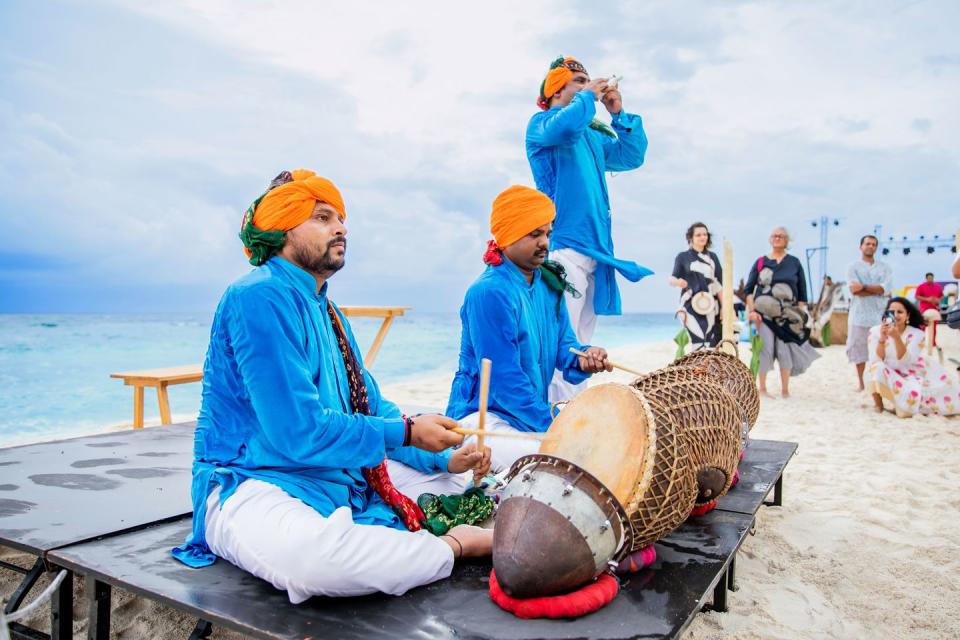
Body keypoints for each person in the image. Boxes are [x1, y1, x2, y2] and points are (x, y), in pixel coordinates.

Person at [172, 169, 493, 602]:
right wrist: (408, 431)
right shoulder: (257, 297)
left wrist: (445, 458)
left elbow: (373, 409)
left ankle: (417, 540)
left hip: (332, 477)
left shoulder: (328, 311)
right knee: (315, 563)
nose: (341, 227)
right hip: (253, 482)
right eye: (323, 217)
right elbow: (298, 432)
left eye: (341, 218)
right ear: (283, 230)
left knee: (465, 487)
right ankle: (456, 545)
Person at [446, 185, 613, 473]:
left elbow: (565, 346)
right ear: (508, 235)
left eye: (548, 233)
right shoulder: (489, 293)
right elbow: (503, 381)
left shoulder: (549, 285)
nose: (545, 243)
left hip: (524, 415)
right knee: (566, 459)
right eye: (534, 234)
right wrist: (557, 424)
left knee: (598, 442)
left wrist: (584, 357)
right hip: (483, 418)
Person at [526, 56, 652, 401]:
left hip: (596, 251)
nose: (588, 85)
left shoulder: (590, 137)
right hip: (563, 246)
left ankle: (568, 411)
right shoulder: (542, 125)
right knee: (560, 341)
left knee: (581, 341)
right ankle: (547, 414)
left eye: (587, 81)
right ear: (555, 90)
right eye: (578, 81)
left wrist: (617, 112)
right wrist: (589, 98)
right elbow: (565, 127)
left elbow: (631, 156)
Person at [745, 226, 820, 398]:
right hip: (763, 315)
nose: (778, 238)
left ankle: (785, 390)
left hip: (788, 315)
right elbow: (749, 290)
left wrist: (802, 316)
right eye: (775, 236)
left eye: (781, 236)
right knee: (764, 349)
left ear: (787, 240)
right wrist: (752, 311)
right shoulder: (761, 262)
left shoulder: (794, 262)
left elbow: (802, 292)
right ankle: (762, 388)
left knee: (785, 350)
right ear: (770, 240)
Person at [866, 297, 960, 417]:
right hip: (887, 370)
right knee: (875, 368)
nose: (895, 315)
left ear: (907, 315)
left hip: (911, 371)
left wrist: (896, 338)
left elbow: (905, 361)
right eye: (892, 312)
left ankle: (900, 406)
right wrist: (882, 339)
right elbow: (876, 359)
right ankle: (878, 405)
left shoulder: (917, 334)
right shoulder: (875, 331)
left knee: (911, 405)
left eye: (900, 312)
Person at [846, 235, 892, 390]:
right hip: (859, 315)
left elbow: (886, 290)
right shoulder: (853, 266)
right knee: (859, 351)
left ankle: (879, 383)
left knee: (881, 350)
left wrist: (864, 286)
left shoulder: (885, 268)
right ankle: (861, 383)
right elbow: (854, 290)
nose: (870, 246)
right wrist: (876, 289)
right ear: (861, 246)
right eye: (867, 244)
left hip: (879, 316)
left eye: (873, 244)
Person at [669, 222, 723, 348]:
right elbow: (672, 279)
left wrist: (725, 308)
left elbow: (719, 284)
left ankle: (707, 367)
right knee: (696, 341)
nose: (702, 237)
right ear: (691, 238)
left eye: (705, 234)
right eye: (698, 235)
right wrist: (678, 282)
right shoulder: (682, 257)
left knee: (710, 343)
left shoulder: (713, 257)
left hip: (711, 305)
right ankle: (695, 367)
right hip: (690, 305)